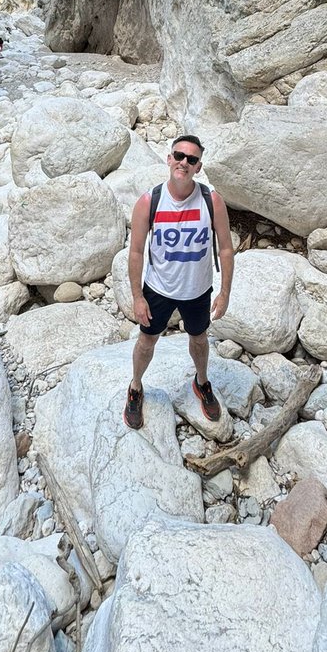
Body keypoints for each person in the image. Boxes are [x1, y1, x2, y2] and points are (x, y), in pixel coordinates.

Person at [123, 134, 234, 430]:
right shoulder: (150, 201)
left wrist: (224, 293)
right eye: (179, 156)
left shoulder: (212, 200)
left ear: (198, 166)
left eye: (192, 159)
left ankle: (202, 382)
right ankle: (135, 387)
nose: (184, 162)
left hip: (198, 291)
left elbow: (225, 247)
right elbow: (135, 252)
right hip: (158, 289)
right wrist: (137, 296)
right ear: (169, 158)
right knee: (147, 340)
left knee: (199, 338)